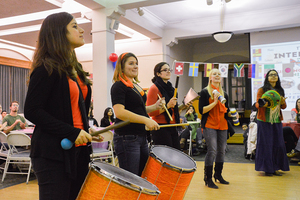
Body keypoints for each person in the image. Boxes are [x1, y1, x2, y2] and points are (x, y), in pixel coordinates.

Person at [24, 12, 94, 200]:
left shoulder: (75, 70)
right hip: (52, 153)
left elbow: (75, 111)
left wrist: (86, 129)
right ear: (59, 32)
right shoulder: (46, 67)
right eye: (74, 26)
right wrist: (72, 132)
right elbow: (32, 110)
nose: (81, 30)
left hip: (79, 149)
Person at [111, 52, 163, 176]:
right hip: (127, 137)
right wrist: (146, 120)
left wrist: (155, 107)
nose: (135, 66)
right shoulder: (118, 86)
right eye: (131, 63)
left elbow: (139, 110)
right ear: (121, 67)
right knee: (131, 179)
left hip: (140, 136)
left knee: (142, 177)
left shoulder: (135, 86)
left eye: (136, 64)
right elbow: (119, 112)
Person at [198, 68, 230, 189]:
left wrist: (232, 114)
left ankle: (218, 175)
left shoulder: (224, 94)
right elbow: (201, 110)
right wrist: (214, 103)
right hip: (210, 124)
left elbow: (226, 111)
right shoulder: (205, 92)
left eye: (219, 74)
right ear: (210, 77)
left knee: (221, 151)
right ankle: (208, 178)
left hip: (222, 125)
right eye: (214, 74)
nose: (217, 75)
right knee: (212, 151)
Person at [255, 69, 289, 176]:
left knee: (278, 143)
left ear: (278, 77)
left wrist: (283, 102)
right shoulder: (262, 90)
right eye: (271, 75)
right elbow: (257, 104)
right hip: (264, 120)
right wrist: (263, 104)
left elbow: (283, 106)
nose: (273, 76)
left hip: (276, 120)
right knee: (266, 144)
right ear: (267, 77)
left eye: (275, 75)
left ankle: (276, 167)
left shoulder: (280, 90)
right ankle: (267, 169)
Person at [146, 62, 180, 150]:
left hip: (172, 126)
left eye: (169, 70)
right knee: (166, 157)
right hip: (160, 127)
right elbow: (151, 113)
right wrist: (168, 105)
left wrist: (184, 105)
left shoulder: (171, 89)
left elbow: (173, 110)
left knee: (176, 155)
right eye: (165, 70)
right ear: (158, 74)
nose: (168, 72)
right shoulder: (154, 88)